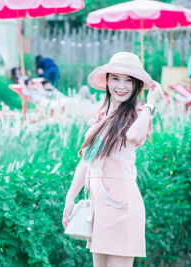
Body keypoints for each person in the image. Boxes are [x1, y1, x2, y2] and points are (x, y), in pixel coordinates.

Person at [62, 52, 163, 267]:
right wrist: (70, 198)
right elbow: (86, 161)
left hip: (123, 205)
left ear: (136, 85)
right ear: (107, 80)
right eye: (116, 78)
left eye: (129, 80)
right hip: (99, 207)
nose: (122, 86)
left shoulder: (138, 114)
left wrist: (151, 103)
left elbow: (135, 137)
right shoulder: (100, 118)